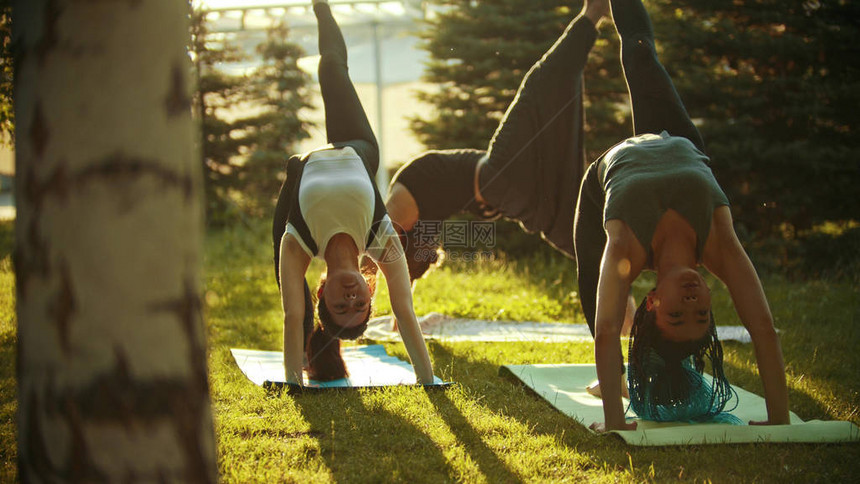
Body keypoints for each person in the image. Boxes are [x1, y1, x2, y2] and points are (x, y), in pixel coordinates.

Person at [574, 0, 789, 431]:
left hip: (607, 177)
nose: (692, 304)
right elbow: (763, 326)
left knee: (590, 277)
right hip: (679, 143)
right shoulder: (719, 245)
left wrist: (614, 423)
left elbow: (606, 328)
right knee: (641, 54)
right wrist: (778, 418)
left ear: (651, 303)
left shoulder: (628, 247)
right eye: (702, 315)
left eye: (676, 315)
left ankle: (613, 379)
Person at [384, 0, 638, 330]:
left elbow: (381, 244)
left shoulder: (405, 197)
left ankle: (632, 325)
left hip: (502, 180)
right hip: (513, 195)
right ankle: (633, 324)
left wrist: (362, 279)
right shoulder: (417, 225)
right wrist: (396, 316)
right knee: (586, 239)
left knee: (539, 90)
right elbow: (395, 262)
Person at [272, 0, 433, 385]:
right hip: (357, 145)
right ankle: (322, 6)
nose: (351, 298)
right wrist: (430, 382)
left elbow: (294, 317)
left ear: (322, 291)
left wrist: (292, 384)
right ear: (366, 293)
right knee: (330, 67)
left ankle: (310, 369)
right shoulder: (381, 239)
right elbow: (406, 313)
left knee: (281, 270)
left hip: (302, 172)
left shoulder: (299, 244)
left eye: (341, 305)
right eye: (359, 305)